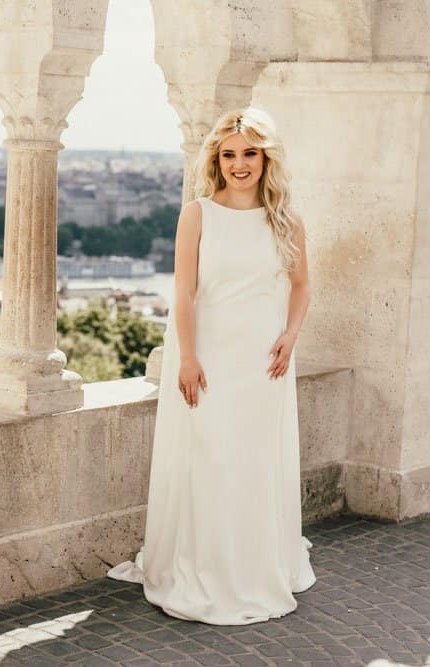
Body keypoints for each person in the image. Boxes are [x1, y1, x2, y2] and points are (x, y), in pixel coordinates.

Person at [109, 107, 316, 624]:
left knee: (253, 462)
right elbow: (182, 291)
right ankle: (204, 569)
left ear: (266, 158)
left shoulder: (286, 219)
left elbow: (301, 284)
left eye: (250, 153)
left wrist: (291, 335)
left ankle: (252, 568)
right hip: (208, 355)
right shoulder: (197, 213)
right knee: (211, 458)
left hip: (264, 360)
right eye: (229, 155)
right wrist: (188, 356)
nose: (239, 165)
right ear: (216, 160)